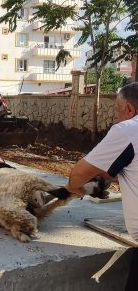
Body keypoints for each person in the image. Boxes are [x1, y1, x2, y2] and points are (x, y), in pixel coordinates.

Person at [66, 83, 138, 290]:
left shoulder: (129, 129)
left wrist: (74, 188)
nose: (117, 117)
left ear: (130, 109)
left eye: (118, 111)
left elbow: (79, 174)